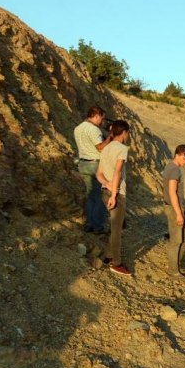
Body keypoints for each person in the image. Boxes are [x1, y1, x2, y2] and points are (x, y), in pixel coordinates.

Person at [96, 120, 131, 276]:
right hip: (116, 194)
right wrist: (115, 194)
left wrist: (107, 185)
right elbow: (117, 172)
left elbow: (99, 174)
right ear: (124, 132)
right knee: (116, 230)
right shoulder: (122, 148)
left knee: (116, 226)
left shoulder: (107, 148)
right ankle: (116, 263)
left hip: (104, 190)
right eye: (127, 133)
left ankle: (108, 255)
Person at [74, 106, 111, 234]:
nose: (102, 121)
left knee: (90, 195)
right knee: (101, 196)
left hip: (83, 164)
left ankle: (88, 224)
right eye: (102, 118)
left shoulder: (78, 128)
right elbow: (100, 148)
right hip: (95, 164)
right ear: (96, 116)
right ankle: (97, 226)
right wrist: (110, 137)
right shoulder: (94, 130)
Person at [162, 144, 185, 277]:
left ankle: (176, 265)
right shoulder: (174, 170)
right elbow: (172, 192)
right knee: (176, 240)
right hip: (174, 209)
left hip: (176, 208)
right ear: (178, 155)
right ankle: (173, 270)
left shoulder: (170, 167)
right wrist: (179, 214)